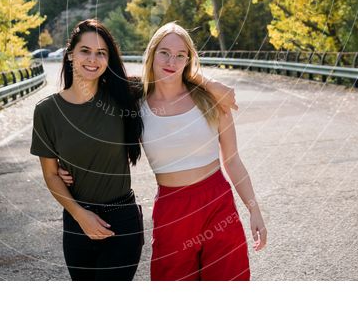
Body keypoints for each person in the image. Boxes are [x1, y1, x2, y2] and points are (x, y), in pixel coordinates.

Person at [31, 19, 235, 281]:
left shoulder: (125, 94)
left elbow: (170, 71)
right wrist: (80, 215)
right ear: (70, 54)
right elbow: (50, 175)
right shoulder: (47, 112)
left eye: (101, 53)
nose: (93, 59)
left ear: (108, 59)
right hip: (76, 221)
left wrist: (212, 84)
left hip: (122, 219)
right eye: (85, 51)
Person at [140, 23, 267, 280]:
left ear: (188, 61)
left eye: (180, 55)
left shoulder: (210, 99)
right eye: (164, 52)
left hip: (217, 203)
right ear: (152, 54)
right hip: (171, 210)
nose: (171, 61)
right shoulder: (136, 105)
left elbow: (232, 160)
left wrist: (254, 209)